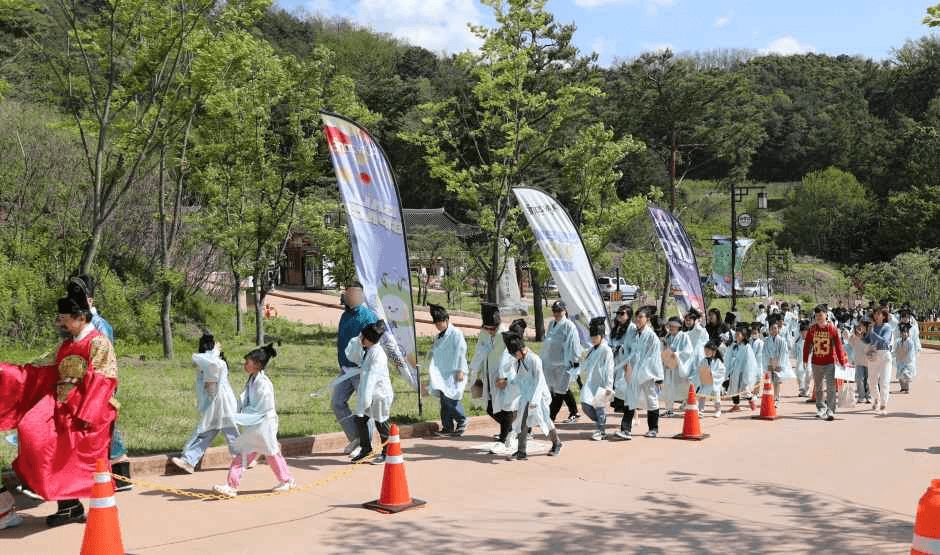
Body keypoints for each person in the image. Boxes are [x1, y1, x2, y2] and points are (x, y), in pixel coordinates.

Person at [0, 281, 118, 527]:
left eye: (63, 319)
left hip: (87, 411)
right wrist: (7, 373)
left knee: (65, 454)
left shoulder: (98, 343)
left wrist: (85, 414)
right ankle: (64, 502)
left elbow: (103, 379)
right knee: (31, 430)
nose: (59, 324)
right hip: (62, 406)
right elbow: (41, 371)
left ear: (80, 317)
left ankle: (72, 505)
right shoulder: (66, 345)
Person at [71, 274, 131, 491]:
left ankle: (119, 474)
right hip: (88, 384)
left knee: (104, 427)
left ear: (90, 300)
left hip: (100, 385)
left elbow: (103, 361)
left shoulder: (98, 325)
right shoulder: (82, 323)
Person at [213, 344, 294, 497]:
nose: (244, 365)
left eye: (247, 362)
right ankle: (286, 480)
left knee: (262, 454)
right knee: (268, 454)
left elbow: (263, 408)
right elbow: (245, 403)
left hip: (263, 426)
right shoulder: (253, 380)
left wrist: (239, 415)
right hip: (257, 426)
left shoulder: (263, 383)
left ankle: (232, 486)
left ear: (257, 364)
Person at [171, 332, 240, 474]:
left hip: (221, 404)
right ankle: (189, 460)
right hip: (217, 405)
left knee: (222, 432)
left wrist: (215, 352)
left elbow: (211, 372)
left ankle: (244, 458)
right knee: (211, 432)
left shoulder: (214, 363)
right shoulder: (211, 364)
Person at [500, 332, 562, 460]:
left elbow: (539, 381)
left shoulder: (534, 359)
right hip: (526, 396)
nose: (513, 356)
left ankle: (556, 442)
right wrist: (508, 382)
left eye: (514, 353)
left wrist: (535, 401)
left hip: (539, 397)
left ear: (520, 350)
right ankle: (521, 451)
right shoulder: (519, 361)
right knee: (522, 422)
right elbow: (520, 379)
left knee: (545, 420)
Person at [333, 281, 377, 457]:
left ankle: (367, 445)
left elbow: (374, 344)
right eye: (347, 293)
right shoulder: (345, 315)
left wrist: (366, 366)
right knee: (337, 403)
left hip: (361, 370)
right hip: (345, 369)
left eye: (351, 293)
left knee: (365, 407)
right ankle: (357, 438)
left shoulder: (367, 317)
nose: (347, 296)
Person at [346, 321, 394, 464]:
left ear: (371, 339)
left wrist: (365, 401)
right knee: (360, 419)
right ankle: (366, 449)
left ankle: (387, 452)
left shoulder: (377, 355)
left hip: (379, 395)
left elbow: (371, 379)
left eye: (364, 338)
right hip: (369, 394)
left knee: (381, 422)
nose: (361, 339)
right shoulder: (370, 350)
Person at [469, 304, 514, 446]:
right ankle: (511, 429)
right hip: (488, 375)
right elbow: (479, 351)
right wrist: (474, 371)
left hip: (503, 377)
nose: (489, 332)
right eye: (487, 328)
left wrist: (503, 377)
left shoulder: (505, 334)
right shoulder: (484, 333)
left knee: (504, 407)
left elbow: (507, 357)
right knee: (490, 407)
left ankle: (505, 436)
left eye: (492, 329)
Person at [615, 306, 664, 439]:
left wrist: (659, 378)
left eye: (641, 317)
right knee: (630, 399)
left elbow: (655, 357)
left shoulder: (652, 337)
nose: (637, 319)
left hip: (648, 374)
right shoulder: (632, 333)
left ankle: (653, 428)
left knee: (651, 400)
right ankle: (625, 430)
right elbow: (626, 349)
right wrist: (626, 364)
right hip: (633, 372)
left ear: (647, 319)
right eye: (636, 316)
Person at [427, 304, 469, 437]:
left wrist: (460, 370)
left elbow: (461, 352)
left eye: (440, 322)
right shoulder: (439, 337)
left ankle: (462, 420)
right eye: (436, 323)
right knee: (443, 399)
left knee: (450, 398)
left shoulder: (456, 334)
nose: (438, 325)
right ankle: (447, 426)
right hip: (442, 373)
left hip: (454, 372)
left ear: (446, 320)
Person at [802, 304, 849, 421]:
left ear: (826, 315)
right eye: (817, 315)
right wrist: (805, 359)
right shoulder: (812, 329)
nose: (819, 317)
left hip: (830, 362)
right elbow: (807, 345)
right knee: (818, 387)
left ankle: (831, 410)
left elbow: (838, 346)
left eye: (821, 315)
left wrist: (842, 361)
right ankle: (821, 409)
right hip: (816, 362)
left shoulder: (832, 329)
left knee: (831, 387)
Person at [541, 301, 583, 424]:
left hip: (563, 363)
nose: (556, 313)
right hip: (551, 363)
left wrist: (575, 362)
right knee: (560, 389)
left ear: (565, 311)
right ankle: (574, 412)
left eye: (559, 311)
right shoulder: (551, 324)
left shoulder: (569, 326)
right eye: (554, 311)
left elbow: (575, 344)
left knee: (560, 391)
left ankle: (550, 417)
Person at [578, 317, 615, 441]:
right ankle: (601, 422)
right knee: (585, 404)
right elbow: (587, 364)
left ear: (602, 335)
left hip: (602, 384)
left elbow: (610, 368)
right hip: (591, 383)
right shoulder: (592, 349)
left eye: (595, 336)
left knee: (599, 407)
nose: (593, 339)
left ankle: (601, 430)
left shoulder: (606, 350)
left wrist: (609, 386)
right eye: (591, 336)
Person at [662, 316, 693, 416]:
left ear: (678, 326)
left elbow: (688, 351)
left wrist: (677, 354)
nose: (671, 328)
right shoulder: (668, 337)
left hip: (679, 366)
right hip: (669, 365)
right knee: (668, 387)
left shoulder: (684, 336)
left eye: (673, 326)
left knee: (683, 388)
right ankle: (669, 409)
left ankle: (688, 405)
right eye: (670, 326)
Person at [725, 323, 759, 412]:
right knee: (734, 389)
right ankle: (736, 405)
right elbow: (728, 357)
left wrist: (747, 373)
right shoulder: (733, 346)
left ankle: (751, 402)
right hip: (734, 371)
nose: (736, 336)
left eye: (738, 334)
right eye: (735, 334)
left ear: (744, 336)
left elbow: (750, 361)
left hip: (743, 371)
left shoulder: (747, 347)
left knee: (745, 389)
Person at [866, 307, 893, 416]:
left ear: (883, 316)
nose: (877, 316)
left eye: (879, 314)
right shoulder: (871, 327)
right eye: (875, 314)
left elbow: (884, 341)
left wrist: (872, 333)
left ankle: (883, 404)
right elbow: (866, 341)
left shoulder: (887, 327)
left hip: (884, 354)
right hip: (873, 354)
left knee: (884, 381)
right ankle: (876, 398)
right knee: (872, 381)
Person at [763, 315, 794, 407]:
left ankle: (777, 398)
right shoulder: (766, 340)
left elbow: (784, 353)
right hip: (769, 363)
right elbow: (765, 353)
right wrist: (768, 364)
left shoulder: (781, 340)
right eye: (772, 328)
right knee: (769, 381)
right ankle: (770, 398)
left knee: (777, 381)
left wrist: (780, 365)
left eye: (775, 328)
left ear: (778, 329)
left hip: (778, 363)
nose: (774, 330)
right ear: (769, 330)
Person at [690, 341, 725, 417]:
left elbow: (721, 371)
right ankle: (701, 410)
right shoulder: (703, 361)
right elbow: (699, 371)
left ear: (714, 351)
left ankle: (718, 410)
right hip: (706, 382)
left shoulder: (717, 361)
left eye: (708, 351)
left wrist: (712, 374)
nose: (706, 352)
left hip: (714, 382)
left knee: (716, 397)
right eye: (705, 351)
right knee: (702, 395)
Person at [846, 319, 871, 403]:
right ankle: (861, 396)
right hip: (859, 362)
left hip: (869, 362)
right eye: (859, 327)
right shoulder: (854, 337)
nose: (860, 329)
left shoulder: (869, 336)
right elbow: (850, 342)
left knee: (869, 380)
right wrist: (854, 335)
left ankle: (869, 396)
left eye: (862, 326)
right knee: (859, 379)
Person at [894, 323, 917, 394]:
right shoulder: (898, 341)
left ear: (908, 333)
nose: (904, 334)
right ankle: (902, 387)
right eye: (903, 333)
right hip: (900, 360)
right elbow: (896, 350)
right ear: (900, 334)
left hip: (907, 361)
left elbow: (911, 352)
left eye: (906, 332)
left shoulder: (910, 342)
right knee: (900, 375)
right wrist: (897, 356)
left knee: (906, 374)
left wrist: (908, 358)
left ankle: (907, 388)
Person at [793, 320, 812, 397]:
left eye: (805, 331)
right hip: (800, 360)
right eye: (802, 332)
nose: (804, 333)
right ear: (800, 332)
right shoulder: (798, 341)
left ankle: (807, 390)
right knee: (799, 373)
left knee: (808, 375)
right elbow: (794, 350)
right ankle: (802, 390)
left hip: (809, 361)